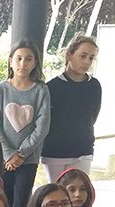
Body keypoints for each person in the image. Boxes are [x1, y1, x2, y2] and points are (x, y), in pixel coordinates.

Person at [0, 40, 51, 207]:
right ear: (10, 61)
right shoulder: (0, 90)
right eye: (18, 58)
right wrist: (9, 154)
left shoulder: (41, 90)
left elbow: (42, 126)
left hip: (28, 159)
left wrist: (21, 154)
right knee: (2, 202)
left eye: (28, 59)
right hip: (3, 159)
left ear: (35, 62)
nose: (23, 64)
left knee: (21, 205)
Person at [41, 36, 101, 182]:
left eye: (91, 58)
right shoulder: (51, 87)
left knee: (79, 192)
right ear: (69, 55)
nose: (87, 62)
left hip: (83, 151)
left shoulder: (94, 85)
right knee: (57, 192)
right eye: (82, 56)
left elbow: (93, 116)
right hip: (54, 152)